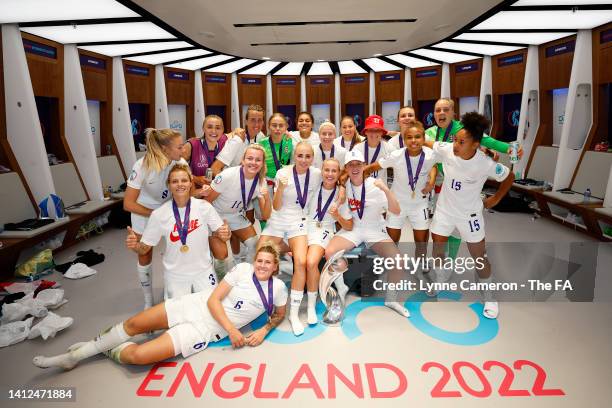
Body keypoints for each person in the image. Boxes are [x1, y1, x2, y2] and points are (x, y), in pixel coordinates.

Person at [32, 243, 288, 370]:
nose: (262, 265)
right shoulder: (243, 269)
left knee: (138, 357)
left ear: (276, 266)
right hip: (197, 305)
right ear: (255, 261)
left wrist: (265, 330)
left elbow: (279, 314)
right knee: (134, 324)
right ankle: (74, 357)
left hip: (205, 331)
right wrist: (233, 330)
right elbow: (212, 300)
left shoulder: (278, 289)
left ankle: (102, 346)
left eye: (268, 263)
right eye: (260, 261)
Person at [424, 112, 514, 319]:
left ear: (475, 144)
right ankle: (441, 277)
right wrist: (411, 134)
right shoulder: (447, 150)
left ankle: (490, 297)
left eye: (461, 142)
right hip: (444, 211)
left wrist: (496, 199)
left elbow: (509, 176)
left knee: (479, 257)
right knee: (437, 250)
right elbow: (428, 143)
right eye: (455, 140)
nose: (455, 145)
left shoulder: (485, 163)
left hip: (469, 215)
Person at [426, 98, 523, 259]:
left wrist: (510, 149)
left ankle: (451, 260)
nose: (441, 113)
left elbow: (488, 142)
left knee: (457, 229)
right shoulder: (429, 132)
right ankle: (441, 265)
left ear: (453, 113)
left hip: (463, 183)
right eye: (437, 110)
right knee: (441, 229)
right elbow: (421, 145)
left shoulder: (463, 129)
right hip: (439, 181)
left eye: (445, 109)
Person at [125, 163, 231, 299]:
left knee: (210, 309)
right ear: (169, 185)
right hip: (175, 275)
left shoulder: (204, 207)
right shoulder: (159, 214)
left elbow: (222, 236)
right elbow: (144, 249)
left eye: (184, 180)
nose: (180, 184)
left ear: (191, 183)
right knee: (178, 317)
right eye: (175, 181)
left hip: (203, 271)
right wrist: (135, 246)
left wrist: (226, 234)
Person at [325, 150, 409, 318]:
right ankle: (342, 287)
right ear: (346, 168)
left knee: (398, 261)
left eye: (358, 164)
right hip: (354, 228)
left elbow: (396, 210)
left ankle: (391, 300)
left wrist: (386, 189)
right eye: (351, 165)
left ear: (364, 166)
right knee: (329, 252)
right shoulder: (344, 185)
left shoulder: (375, 185)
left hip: (374, 229)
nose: (355, 168)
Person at [259, 142, 321, 335]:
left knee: (301, 262)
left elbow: (334, 180)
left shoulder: (317, 174)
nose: (303, 160)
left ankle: (295, 313)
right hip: (278, 219)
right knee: (261, 255)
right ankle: (265, 301)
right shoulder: (282, 174)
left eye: (307, 156)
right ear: (294, 156)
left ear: (312, 158)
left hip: (299, 221)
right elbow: (276, 207)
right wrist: (280, 190)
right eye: (300, 156)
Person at [123, 128, 187, 309]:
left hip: (167, 210)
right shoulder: (142, 166)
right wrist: (156, 216)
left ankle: (172, 291)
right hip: (143, 212)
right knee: (144, 253)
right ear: (165, 149)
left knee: (175, 251)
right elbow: (128, 203)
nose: (183, 151)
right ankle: (148, 300)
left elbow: (186, 189)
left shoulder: (179, 163)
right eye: (179, 147)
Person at [363, 122, 437, 248]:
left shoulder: (431, 155)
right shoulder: (396, 155)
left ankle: (421, 262)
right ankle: (392, 264)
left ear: (424, 139)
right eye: (409, 137)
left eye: (417, 137)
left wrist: (431, 182)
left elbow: (433, 166)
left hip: (420, 204)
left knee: (421, 241)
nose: (413, 140)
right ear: (404, 139)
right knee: (392, 240)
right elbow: (372, 167)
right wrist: (348, 178)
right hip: (397, 204)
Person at [202, 145, 272, 270]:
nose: (253, 163)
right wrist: (215, 225)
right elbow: (206, 202)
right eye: (250, 158)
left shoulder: (261, 181)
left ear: (262, 163)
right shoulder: (227, 175)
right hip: (215, 213)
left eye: (258, 160)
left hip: (235, 215)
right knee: (221, 254)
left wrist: (266, 197)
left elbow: (266, 215)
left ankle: (244, 273)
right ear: (243, 160)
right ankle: (220, 281)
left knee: (254, 244)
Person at [302, 158, 352, 328]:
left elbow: (349, 225)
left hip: (323, 229)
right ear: (321, 171)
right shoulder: (314, 185)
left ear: (339, 174)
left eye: (334, 171)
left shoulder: (341, 195)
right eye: (327, 170)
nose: (330, 174)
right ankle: (340, 284)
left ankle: (310, 305)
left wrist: (337, 215)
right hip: (304, 226)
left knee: (311, 262)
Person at [211, 104, 266, 174]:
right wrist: (229, 183)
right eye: (253, 120)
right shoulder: (237, 140)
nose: (256, 124)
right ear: (246, 121)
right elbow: (215, 168)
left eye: (259, 120)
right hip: (232, 180)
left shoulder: (260, 137)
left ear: (263, 123)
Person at [181, 115, 227, 187]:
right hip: (195, 192)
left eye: (218, 128)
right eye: (209, 127)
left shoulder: (225, 143)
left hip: (216, 192)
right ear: (203, 129)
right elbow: (176, 169)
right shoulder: (192, 145)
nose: (213, 131)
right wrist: (196, 179)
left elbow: (237, 133)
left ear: (222, 130)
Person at [352, 115, 393, 184]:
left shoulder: (389, 148)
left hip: (380, 191)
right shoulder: (357, 149)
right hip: (361, 188)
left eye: (377, 130)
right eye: (371, 130)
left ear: (382, 133)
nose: (374, 133)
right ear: (365, 132)